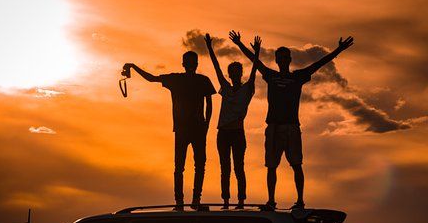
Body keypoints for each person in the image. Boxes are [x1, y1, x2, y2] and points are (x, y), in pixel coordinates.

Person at [229, 30, 354, 209]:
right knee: (271, 166)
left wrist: (338, 50)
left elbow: (319, 63)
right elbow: (255, 61)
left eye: (285, 57)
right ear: (277, 60)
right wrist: (239, 44)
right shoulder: (271, 75)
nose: (283, 60)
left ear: (289, 59)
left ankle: (300, 201)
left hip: (291, 127)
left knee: (296, 164)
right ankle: (271, 201)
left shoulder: (298, 77)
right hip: (273, 127)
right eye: (280, 57)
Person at [122, 52, 216, 211]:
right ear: (186, 64)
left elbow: (209, 103)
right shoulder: (181, 79)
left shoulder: (197, 80)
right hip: (185, 129)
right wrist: (133, 66)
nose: (191, 64)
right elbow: (151, 78)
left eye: (192, 62)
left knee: (194, 166)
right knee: (184, 166)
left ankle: (192, 200)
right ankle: (183, 201)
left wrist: (206, 126)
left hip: (194, 129)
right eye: (190, 62)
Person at [204, 33, 261, 210]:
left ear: (240, 74)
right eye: (232, 72)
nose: (234, 75)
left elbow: (255, 71)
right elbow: (216, 68)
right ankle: (226, 202)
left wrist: (257, 52)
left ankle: (241, 201)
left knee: (239, 167)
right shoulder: (226, 88)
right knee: (225, 168)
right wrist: (209, 48)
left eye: (237, 72)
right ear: (230, 74)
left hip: (237, 133)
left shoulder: (246, 89)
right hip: (223, 132)